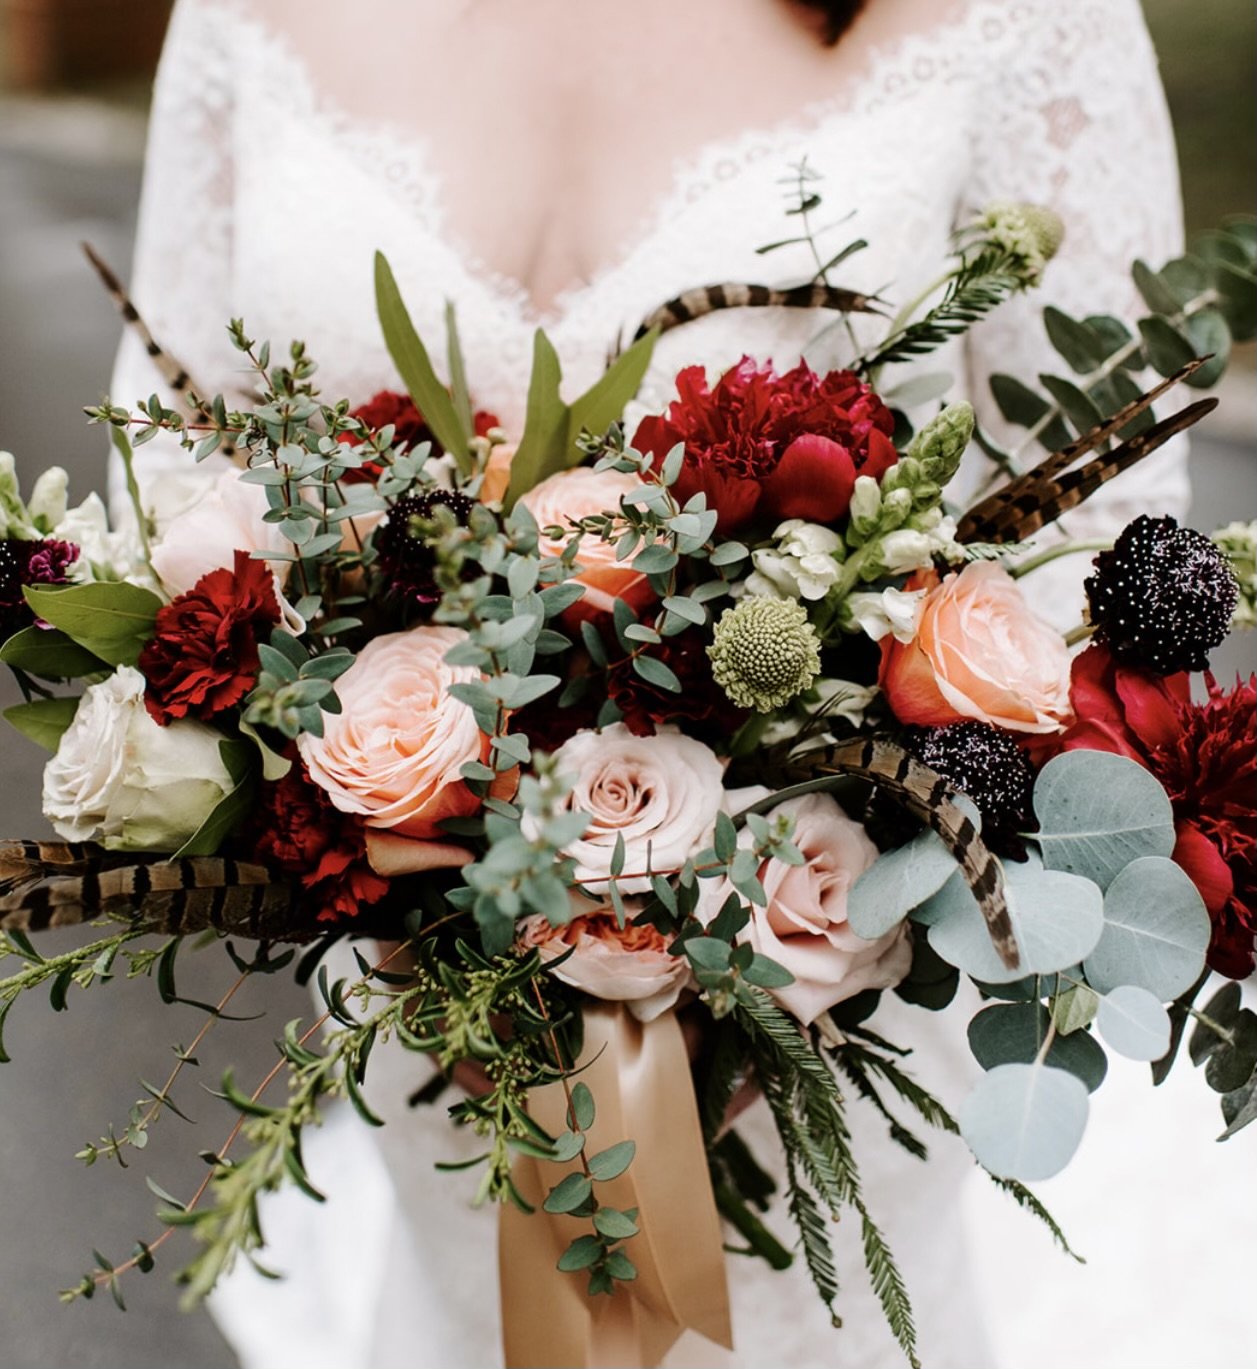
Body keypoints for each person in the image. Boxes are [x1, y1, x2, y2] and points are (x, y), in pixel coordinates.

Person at [109, 2, 1189, 1365]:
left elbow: (1121, 569)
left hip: (825, 1014)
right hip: (414, 1010)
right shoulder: (241, 19)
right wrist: (386, 863)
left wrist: (826, 906)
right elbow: (164, 487)